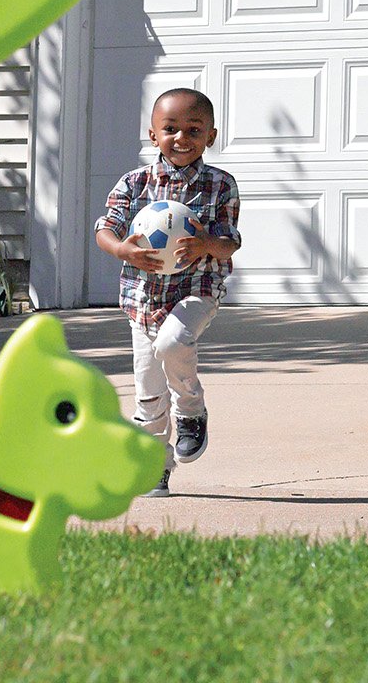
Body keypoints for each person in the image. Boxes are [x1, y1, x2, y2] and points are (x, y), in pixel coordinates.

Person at [94, 87, 241, 498]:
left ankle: (191, 411)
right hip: (143, 297)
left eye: (194, 130)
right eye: (171, 129)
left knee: (174, 341)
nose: (181, 138)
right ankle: (154, 465)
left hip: (197, 289)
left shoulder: (220, 185)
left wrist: (205, 245)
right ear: (153, 133)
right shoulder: (134, 182)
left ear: (211, 136)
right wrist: (122, 248)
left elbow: (230, 241)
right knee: (147, 389)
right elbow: (105, 228)